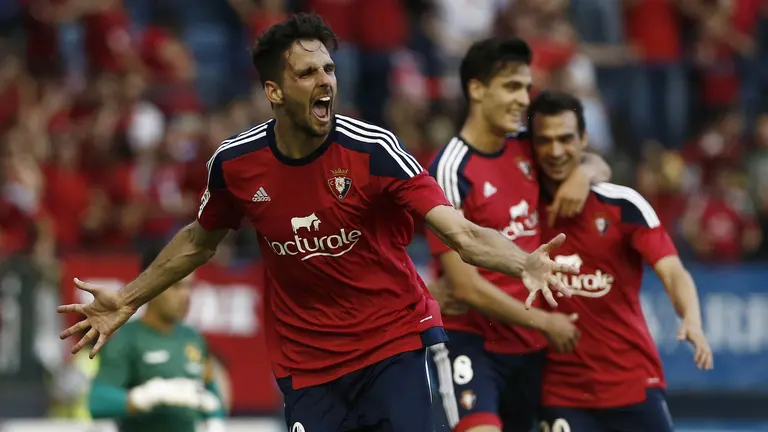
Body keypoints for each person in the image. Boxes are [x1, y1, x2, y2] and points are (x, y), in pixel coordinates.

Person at [57, 14, 580, 432]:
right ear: (275, 92)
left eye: (329, 70)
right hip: (309, 368)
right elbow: (199, 240)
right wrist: (126, 301)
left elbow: (461, 233)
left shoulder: (375, 151)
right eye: (307, 74)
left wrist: (523, 261)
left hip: (394, 346)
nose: (324, 81)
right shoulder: (236, 164)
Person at [426, 37, 611, 432]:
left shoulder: (526, 148)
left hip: (532, 349)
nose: (524, 99)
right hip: (473, 344)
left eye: (526, 88)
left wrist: (583, 174)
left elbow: (593, 159)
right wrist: (546, 323)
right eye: (511, 86)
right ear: (476, 89)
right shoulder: (450, 169)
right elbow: (464, 288)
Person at [528, 90, 713, 432]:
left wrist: (691, 317)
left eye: (566, 139)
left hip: (634, 382)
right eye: (545, 140)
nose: (555, 151)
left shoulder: (624, 204)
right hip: (560, 394)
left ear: (584, 139)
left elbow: (671, 269)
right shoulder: (522, 210)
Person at [88, 249, 226, 432]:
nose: (185, 296)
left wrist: (215, 419)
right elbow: (97, 402)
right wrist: (147, 395)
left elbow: (213, 397)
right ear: (150, 286)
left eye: (189, 287)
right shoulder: (126, 338)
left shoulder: (193, 338)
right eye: (176, 286)